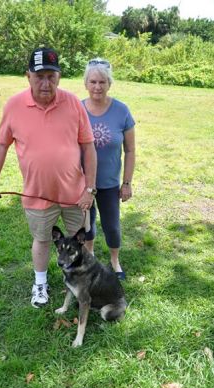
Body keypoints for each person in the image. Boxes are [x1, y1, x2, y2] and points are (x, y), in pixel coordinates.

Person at [0, 47, 97, 308]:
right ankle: (40, 284)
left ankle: (86, 282)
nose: (46, 83)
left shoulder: (72, 103)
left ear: (59, 77)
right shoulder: (14, 105)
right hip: (37, 193)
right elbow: (2, 144)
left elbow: (88, 146)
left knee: (83, 239)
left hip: (75, 192)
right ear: (28, 77)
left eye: (51, 76)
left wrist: (89, 189)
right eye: (40, 76)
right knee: (43, 239)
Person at [82, 58, 135, 280]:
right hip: (83, 184)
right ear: (86, 83)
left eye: (102, 82)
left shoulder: (121, 110)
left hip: (110, 183)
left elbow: (130, 150)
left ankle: (114, 260)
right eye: (93, 81)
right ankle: (90, 257)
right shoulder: (78, 108)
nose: (97, 87)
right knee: (87, 226)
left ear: (109, 83)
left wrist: (126, 183)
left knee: (112, 226)